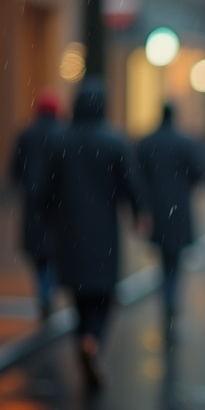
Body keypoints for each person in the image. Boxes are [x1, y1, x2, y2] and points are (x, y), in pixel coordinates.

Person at [46, 79, 150, 390]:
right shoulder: (114, 141)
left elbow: (45, 188)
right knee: (103, 294)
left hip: (70, 230)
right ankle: (92, 340)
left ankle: (84, 338)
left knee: (79, 293)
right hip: (104, 229)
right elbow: (131, 182)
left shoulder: (60, 140)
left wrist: (49, 215)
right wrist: (139, 212)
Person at [136, 103, 204, 329]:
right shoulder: (185, 142)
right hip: (179, 207)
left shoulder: (147, 143)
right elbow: (198, 172)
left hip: (157, 208)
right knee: (175, 260)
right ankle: (172, 300)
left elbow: (137, 175)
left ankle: (167, 299)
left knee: (164, 258)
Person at [10, 89, 62, 319]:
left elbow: (15, 168)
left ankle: (44, 293)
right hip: (58, 205)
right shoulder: (63, 134)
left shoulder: (27, 134)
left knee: (39, 255)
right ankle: (48, 292)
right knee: (54, 252)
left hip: (34, 202)